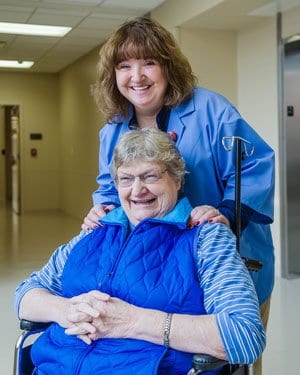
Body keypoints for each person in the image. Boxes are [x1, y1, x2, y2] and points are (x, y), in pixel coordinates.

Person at [82, 17, 274, 374]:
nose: (136, 76)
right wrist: (103, 210)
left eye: (148, 63)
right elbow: (108, 187)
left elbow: (256, 165)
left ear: (168, 66)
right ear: (113, 75)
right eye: (124, 66)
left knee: (230, 359)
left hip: (225, 258)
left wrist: (226, 213)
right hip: (157, 270)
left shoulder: (211, 111)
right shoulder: (112, 129)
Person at [15, 129, 265, 375]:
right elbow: (26, 294)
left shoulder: (205, 237)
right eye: (126, 179)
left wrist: (132, 321)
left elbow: (244, 334)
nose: (137, 190)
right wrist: (65, 310)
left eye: (150, 176)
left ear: (178, 180)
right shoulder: (95, 230)